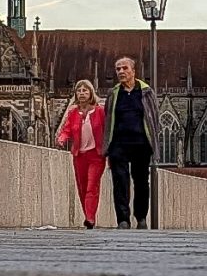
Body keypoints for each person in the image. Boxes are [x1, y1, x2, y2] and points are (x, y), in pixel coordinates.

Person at [103, 52, 159, 228]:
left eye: (124, 68)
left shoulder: (146, 92)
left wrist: (153, 144)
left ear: (133, 71)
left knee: (141, 182)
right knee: (120, 181)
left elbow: (154, 118)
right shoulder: (113, 94)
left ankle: (141, 217)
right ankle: (123, 220)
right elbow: (108, 118)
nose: (121, 71)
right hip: (118, 144)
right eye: (118, 69)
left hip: (141, 143)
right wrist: (107, 145)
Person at [55, 78, 107, 229]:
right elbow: (67, 129)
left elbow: (108, 129)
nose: (82, 93)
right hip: (79, 156)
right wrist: (62, 139)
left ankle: (90, 218)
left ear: (91, 93)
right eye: (79, 90)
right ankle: (88, 216)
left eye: (85, 90)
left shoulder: (100, 111)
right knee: (82, 187)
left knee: (92, 186)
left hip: (96, 155)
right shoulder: (73, 113)